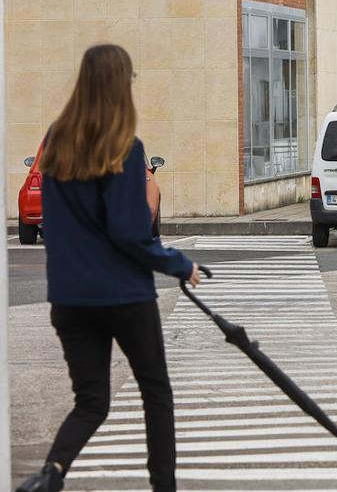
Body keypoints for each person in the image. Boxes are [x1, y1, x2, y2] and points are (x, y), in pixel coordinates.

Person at [17, 45, 200, 492]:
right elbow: (129, 232)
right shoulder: (125, 147)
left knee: (91, 401)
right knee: (155, 392)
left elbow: (51, 227)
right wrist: (179, 264)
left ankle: (51, 474)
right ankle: (164, 488)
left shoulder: (57, 143)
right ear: (120, 85)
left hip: (69, 299)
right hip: (124, 297)